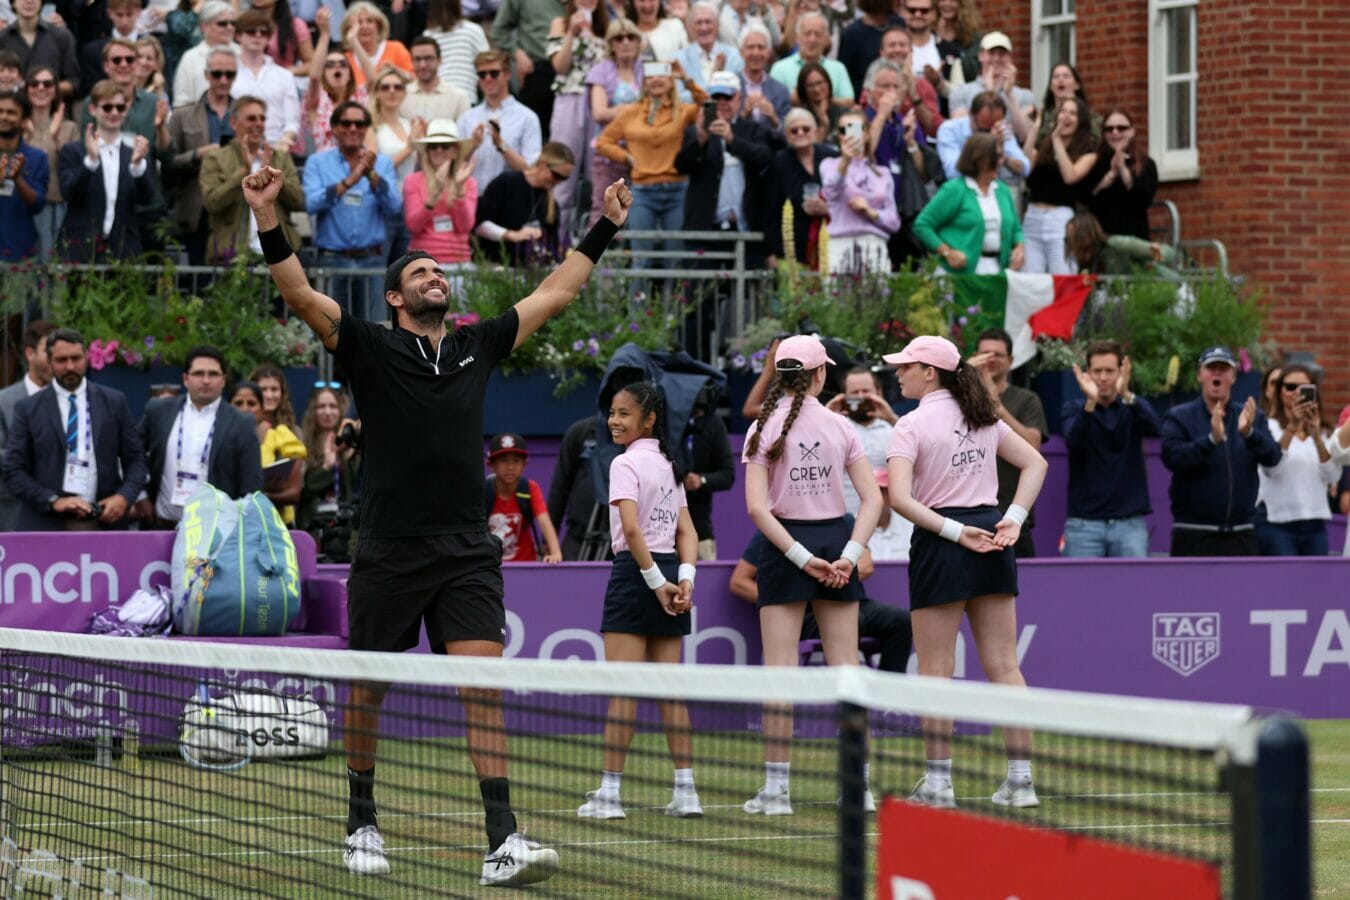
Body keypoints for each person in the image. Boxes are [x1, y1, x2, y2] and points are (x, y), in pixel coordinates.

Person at [242, 155, 636, 887]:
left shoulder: (474, 346)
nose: (435, 278)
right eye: (420, 273)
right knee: (369, 692)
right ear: (396, 296)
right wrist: (266, 213)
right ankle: (361, 821)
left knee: (482, 690)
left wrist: (605, 224)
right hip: (390, 549)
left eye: (438, 272)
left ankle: (502, 839)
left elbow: (556, 292)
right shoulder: (366, 344)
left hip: (464, 549)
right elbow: (298, 293)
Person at [884, 334, 1046, 809]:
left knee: (936, 670)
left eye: (906, 366)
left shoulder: (910, 425)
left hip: (945, 540)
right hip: (988, 535)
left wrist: (959, 533)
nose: (899, 373)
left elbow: (899, 499)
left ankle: (939, 784)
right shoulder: (983, 417)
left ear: (929, 372)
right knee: (1005, 666)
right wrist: (1011, 519)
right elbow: (1035, 465)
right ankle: (1021, 781)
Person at [740, 334, 882, 816]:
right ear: (822, 375)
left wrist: (802, 557)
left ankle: (777, 792)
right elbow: (874, 500)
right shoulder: (840, 427)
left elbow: (758, 510)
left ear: (780, 375)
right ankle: (856, 786)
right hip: (830, 542)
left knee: (780, 672)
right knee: (847, 669)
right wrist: (849, 552)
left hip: (786, 548)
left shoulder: (763, 427)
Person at [575, 380, 701, 819]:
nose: (614, 420)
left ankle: (609, 797)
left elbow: (631, 531)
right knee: (669, 692)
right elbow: (688, 532)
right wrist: (682, 579)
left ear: (649, 419)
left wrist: (656, 581)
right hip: (665, 572)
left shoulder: (625, 464)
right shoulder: (668, 465)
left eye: (624, 413)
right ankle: (687, 794)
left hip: (638, 573)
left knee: (623, 692)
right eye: (612, 412)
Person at [2, 327, 147, 532]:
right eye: (62, 360)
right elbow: (14, 471)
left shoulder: (114, 402)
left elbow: (136, 460)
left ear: (86, 358)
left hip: (105, 523)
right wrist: (54, 501)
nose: (70, 366)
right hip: (47, 526)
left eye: (76, 358)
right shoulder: (28, 409)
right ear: (50, 362)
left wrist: (124, 497)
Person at [729, 531, 912, 673]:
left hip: (850, 600)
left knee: (901, 620)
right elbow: (739, 581)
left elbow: (865, 565)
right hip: (802, 611)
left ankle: (888, 703)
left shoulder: (846, 521)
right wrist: (783, 598)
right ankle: (849, 707)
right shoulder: (774, 529)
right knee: (854, 621)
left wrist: (830, 577)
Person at [1160, 346, 1281, 557]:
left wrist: (1249, 432)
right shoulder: (1179, 417)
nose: (1217, 373)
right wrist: (1210, 440)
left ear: (1233, 376)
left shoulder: (1251, 417)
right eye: (1211, 368)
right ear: (1200, 375)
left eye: (1223, 369)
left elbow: (1273, 457)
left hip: (1241, 533)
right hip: (1193, 533)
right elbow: (1173, 458)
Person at [594, 59, 706, 285]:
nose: (656, 80)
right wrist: (626, 157)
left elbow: (707, 106)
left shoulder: (682, 111)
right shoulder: (630, 112)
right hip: (643, 192)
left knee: (674, 260)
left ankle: (674, 318)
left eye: (662, 74)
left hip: (677, 190)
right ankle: (639, 319)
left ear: (670, 80)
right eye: (651, 75)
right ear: (644, 82)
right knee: (641, 260)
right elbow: (603, 142)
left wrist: (685, 79)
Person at [132, 344, 263, 529]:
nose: (206, 380)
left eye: (213, 374)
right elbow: (132, 453)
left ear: (224, 380)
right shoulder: (159, 411)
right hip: (161, 525)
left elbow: (252, 488)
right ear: (186, 379)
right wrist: (140, 496)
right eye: (199, 373)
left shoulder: (242, 423)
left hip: (215, 533)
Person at [303, 99, 401, 322]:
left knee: (375, 330)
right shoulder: (317, 162)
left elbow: (394, 206)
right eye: (346, 123)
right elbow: (311, 204)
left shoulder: (381, 163)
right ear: (334, 128)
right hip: (332, 261)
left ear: (366, 128)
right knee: (333, 331)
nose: (353, 129)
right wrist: (351, 180)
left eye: (359, 124)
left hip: (372, 260)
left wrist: (372, 176)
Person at [1060, 340, 1160, 558]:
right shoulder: (1075, 408)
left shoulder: (1132, 407)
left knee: (1135, 589)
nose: (1103, 378)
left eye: (1109, 371)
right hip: (1083, 525)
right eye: (1097, 371)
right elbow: (1073, 443)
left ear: (1121, 372)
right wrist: (1090, 403)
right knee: (1079, 590)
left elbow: (1155, 428)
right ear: (1087, 373)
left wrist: (1126, 393)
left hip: (1129, 524)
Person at [57, 79, 154, 261]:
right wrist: (90, 163)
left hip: (124, 252)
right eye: (107, 107)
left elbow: (147, 199)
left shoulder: (135, 153)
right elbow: (67, 192)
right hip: (81, 250)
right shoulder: (74, 151)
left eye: (120, 107)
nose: (114, 113)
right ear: (93, 110)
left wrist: (137, 167)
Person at [969, 328, 1045, 557]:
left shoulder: (1027, 399)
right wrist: (965, 377)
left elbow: (1033, 447)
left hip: (1012, 514)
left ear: (1011, 361)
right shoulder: (960, 399)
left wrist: (997, 407)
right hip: (968, 515)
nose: (991, 360)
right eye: (985, 354)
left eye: (998, 355)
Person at [199, 94, 302, 263]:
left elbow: (299, 201)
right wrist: (243, 172)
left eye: (262, 119)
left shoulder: (280, 158)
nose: (258, 124)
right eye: (251, 119)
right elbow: (212, 203)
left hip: (278, 257)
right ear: (233, 123)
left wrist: (272, 177)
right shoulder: (215, 158)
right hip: (231, 257)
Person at [1254, 365, 1338, 556]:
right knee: (1282, 583)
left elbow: (1332, 476)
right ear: (1279, 392)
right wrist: (1292, 428)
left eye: (1305, 387)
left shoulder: (1323, 431)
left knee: (1316, 585)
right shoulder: (1267, 426)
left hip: (1314, 523)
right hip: (1276, 523)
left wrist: (1316, 437)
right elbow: (1271, 469)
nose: (1297, 393)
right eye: (1291, 387)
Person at [913, 132, 1024, 274]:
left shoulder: (1002, 190)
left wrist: (1019, 247)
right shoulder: (955, 189)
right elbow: (922, 224)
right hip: (957, 275)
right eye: (996, 156)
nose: (1001, 161)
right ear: (980, 158)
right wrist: (947, 252)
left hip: (996, 271)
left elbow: (1016, 228)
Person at [165, 46, 233, 264]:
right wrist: (197, 155)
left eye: (229, 74)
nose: (223, 80)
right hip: (197, 205)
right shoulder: (182, 115)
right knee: (199, 279)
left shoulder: (246, 114)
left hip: (235, 206)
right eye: (217, 74)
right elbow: (168, 162)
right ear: (206, 75)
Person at [545, 0, 605, 240]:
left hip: (599, 103)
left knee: (598, 179)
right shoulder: (560, 23)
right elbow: (559, 66)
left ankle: (596, 251)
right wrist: (572, 32)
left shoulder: (605, 25)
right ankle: (556, 248)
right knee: (562, 175)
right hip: (570, 100)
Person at [1019, 96, 1096, 274]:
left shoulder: (1088, 148)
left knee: (1062, 276)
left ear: (1081, 120)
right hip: (1033, 217)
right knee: (1031, 280)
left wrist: (1057, 141)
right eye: (1063, 111)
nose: (1066, 117)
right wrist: (1033, 132)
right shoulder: (1044, 143)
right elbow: (1026, 166)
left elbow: (1070, 176)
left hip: (1060, 220)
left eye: (1073, 113)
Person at [455, 49, 542, 202]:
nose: (488, 79)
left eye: (494, 73)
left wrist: (502, 146)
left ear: (508, 74)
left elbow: (532, 170)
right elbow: (454, 166)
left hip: (510, 201)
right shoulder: (466, 118)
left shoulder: (527, 117)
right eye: (482, 74)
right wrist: (472, 146)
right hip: (471, 199)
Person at [819, 109, 898, 275]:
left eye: (855, 128)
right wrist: (845, 162)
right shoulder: (829, 165)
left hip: (874, 244)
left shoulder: (882, 173)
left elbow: (894, 222)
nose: (849, 134)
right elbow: (830, 193)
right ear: (838, 136)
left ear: (867, 134)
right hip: (839, 244)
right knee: (837, 300)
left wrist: (871, 212)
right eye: (843, 130)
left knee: (876, 299)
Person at [472, 140, 572, 263]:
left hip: (529, 270)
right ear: (542, 165)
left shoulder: (551, 205)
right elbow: (479, 224)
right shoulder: (506, 183)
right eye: (556, 175)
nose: (559, 181)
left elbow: (553, 245)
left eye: (565, 178)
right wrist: (511, 235)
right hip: (493, 264)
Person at [763, 107, 837, 269]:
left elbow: (845, 198)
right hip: (792, 249)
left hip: (831, 245)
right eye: (794, 130)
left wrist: (827, 207)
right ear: (787, 135)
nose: (800, 133)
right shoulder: (779, 163)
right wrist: (771, 252)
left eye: (806, 128)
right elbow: (770, 210)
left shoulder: (831, 157)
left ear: (816, 131)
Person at [585, 17, 640, 226]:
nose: (625, 42)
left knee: (635, 212)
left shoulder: (644, 69)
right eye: (619, 38)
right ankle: (597, 259)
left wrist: (618, 111)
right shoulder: (601, 70)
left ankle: (631, 259)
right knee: (604, 209)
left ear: (638, 41)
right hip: (608, 154)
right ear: (611, 44)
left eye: (630, 37)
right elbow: (599, 112)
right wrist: (633, 110)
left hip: (640, 151)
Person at [0, 319, 55, 530]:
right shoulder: (4, 401)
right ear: (30, 354)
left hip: (63, 519)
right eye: (48, 352)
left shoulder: (74, 400)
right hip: (14, 512)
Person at [404, 118, 476, 275]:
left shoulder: (468, 182)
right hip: (422, 262)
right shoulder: (413, 180)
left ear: (455, 150)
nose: (439, 150)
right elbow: (413, 226)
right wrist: (435, 194)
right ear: (427, 151)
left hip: (459, 262)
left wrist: (458, 189)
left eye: (445, 146)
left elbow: (465, 226)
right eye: (433, 146)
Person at [228, 379, 306, 523]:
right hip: (230, 523)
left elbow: (294, 493)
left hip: (274, 523)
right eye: (238, 403)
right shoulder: (217, 439)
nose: (245, 409)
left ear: (262, 408)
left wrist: (259, 496)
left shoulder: (282, 435)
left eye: (251, 403)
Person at [365, 63, 420, 262]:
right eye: (385, 87)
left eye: (397, 87)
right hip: (383, 204)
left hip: (410, 203)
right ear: (376, 92)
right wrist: (410, 147)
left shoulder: (409, 124)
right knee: (380, 267)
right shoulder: (371, 126)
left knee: (403, 271)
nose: (391, 91)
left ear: (404, 92)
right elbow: (377, 167)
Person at [296, 383, 360, 548]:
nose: (327, 412)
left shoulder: (351, 445)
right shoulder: (303, 443)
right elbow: (302, 490)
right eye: (321, 406)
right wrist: (326, 466)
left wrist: (346, 456)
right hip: (313, 527)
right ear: (313, 411)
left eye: (333, 406)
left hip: (346, 528)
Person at [24, 66, 77, 260]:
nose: (41, 88)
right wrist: (29, 136)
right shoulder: (17, 125)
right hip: (21, 206)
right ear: (26, 88)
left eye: (47, 83)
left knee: (53, 266)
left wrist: (55, 138)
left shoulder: (69, 128)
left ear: (55, 90)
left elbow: (72, 168)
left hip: (57, 206)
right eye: (34, 83)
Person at [490, 0, 564, 140]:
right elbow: (499, 30)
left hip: (575, 73)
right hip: (537, 68)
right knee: (535, 135)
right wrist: (518, 54)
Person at [230, 10, 300, 156]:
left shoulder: (284, 76)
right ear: (238, 36)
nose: (257, 35)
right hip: (236, 151)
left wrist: (281, 146)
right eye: (251, 31)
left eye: (264, 32)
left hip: (276, 149)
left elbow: (292, 123)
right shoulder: (227, 74)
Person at [485, 431, 563, 562]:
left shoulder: (530, 488)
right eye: (504, 461)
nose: (510, 467)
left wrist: (555, 553)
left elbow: (544, 521)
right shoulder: (483, 491)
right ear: (491, 465)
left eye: (516, 461)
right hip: (491, 567)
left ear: (524, 465)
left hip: (525, 564)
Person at [946, 31, 1036, 142]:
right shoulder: (961, 92)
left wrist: (1009, 95)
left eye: (1002, 54)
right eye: (991, 53)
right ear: (981, 56)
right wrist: (990, 93)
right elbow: (962, 134)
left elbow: (1026, 137)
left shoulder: (1024, 95)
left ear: (1009, 58)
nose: (996, 58)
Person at [679, 382, 735, 559]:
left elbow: (728, 475)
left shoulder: (713, 423)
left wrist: (701, 480)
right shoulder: (663, 421)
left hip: (699, 530)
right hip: (659, 536)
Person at [1086, 107, 1158, 242]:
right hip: (1101, 240)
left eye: (1121, 128)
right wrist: (1111, 175)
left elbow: (1144, 199)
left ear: (1132, 131)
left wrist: (1124, 170)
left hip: (1135, 238)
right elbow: (1087, 198)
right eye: (1109, 129)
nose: (1115, 132)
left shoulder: (1145, 163)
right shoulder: (1095, 163)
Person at [305, 10, 369, 155]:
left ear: (350, 74)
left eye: (342, 64)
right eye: (330, 65)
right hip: (325, 169)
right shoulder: (318, 102)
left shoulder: (359, 98)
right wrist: (325, 34)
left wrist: (354, 41)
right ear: (324, 72)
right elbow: (314, 77)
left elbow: (373, 80)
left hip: (357, 165)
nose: (337, 67)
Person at [933, 89, 1028, 185]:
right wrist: (987, 146)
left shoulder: (1000, 129)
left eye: (993, 127)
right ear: (971, 115)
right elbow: (953, 173)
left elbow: (1025, 168)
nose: (989, 133)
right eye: (983, 130)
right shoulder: (950, 129)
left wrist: (1005, 158)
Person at [547, 413, 607, 559]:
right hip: (578, 537)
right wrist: (548, 540)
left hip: (625, 543)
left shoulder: (643, 437)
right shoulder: (580, 431)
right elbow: (560, 488)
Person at [0, 91, 48, 260]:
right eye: (0, 111)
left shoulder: (37, 158)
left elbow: (38, 205)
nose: (4, 116)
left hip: (20, 252)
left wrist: (18, 179)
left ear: (24, 121)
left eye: (11, 112)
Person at [0, 0, 79, 99]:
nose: (29, 1)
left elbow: (74, 82)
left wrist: (43, 88)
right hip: (12, 108)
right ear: (13, 3)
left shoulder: (61, 37)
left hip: (52, 109)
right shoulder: (2, 39)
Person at [769, 13, 852, 103]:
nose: (812, 39)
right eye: (807, 34)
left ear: (826, 39)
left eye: (818, 34)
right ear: (797, 37)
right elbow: (774, 101)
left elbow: (848, 101)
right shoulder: (780, 68)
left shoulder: (838, 68)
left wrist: (821, 98)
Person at [424, 0, 490, 101]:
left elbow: (487, 63)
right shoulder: (428, 35)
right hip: (436, 99)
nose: (444, 12)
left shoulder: (473, 30)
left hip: (466, 97)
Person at [673, 1, 742, 97]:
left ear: (718, 26)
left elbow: (738, 93)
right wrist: (713, 78)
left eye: (708, 22)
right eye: (699, 23)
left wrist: (696, 92)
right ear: (691, 28)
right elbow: (679, 97)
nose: (704, 28)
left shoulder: (733, 56)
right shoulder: (679, 59)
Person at [172, 1, 235, 105]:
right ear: (205, 26)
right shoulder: (190, 58)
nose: (230, 27)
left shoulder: (242, 54)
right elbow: (181, 102)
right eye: (222, 24)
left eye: (233, 23)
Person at [836, 0, 902, 99]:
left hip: (899, 94)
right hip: (864, 100)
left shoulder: (899, 24)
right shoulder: (851, 34)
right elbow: (845, 74)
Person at [402, 35, 470, 125]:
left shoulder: (458, 97)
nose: (423, 65)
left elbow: (465, 135)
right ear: (412, 62)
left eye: (428, 58)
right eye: (417, 59)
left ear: (440, 60)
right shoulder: (401, 96)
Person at [340, 2, 411, 88]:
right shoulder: (344, 59)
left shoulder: (396, 48)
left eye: (370, 21)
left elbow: (415, 80)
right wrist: (353, 40)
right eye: (358, 22)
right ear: (349, 29)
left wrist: (395, 70)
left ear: (379, 26)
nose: (364, 27)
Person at [736, 22, 788, 130]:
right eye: (750, 47)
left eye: (761, 47)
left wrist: (774, 119)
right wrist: (743, 115)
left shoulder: (780, 90)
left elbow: (788, 134)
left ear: (769, 53)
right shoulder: (731, 87)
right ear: (741, 52)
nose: (756, 53)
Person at [248, 0, 312, 78]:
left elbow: (311, 64)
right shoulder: (244, 24)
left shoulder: (295, 25)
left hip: (284, 82)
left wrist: (287, 72)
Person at [795, 60, 848, 143]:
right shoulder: (798, 118)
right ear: (803, 89)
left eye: (820, 83)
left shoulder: (846, 112)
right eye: (810, 86)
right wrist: (823, 124)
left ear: (828, 83)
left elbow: (857, 144)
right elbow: (808, 150)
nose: (816, 89)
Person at [248, 362, 298, 432]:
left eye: (274, 389)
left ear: (282, 393)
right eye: (263, 389)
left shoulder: (295, 431)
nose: (269, 395)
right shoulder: (243, 429)